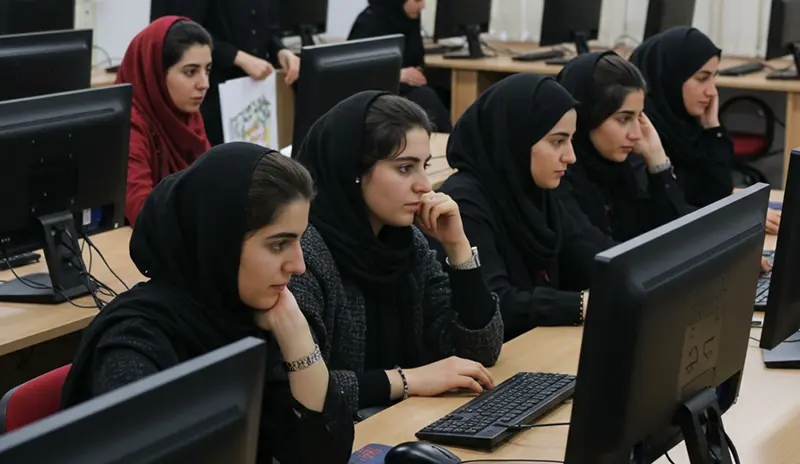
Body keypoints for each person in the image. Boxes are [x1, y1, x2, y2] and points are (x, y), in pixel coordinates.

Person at [61, 143, 354, 463]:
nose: (298, 265)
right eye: (279, 244)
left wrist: (297, 336)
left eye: (299, 240)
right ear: (219, 242)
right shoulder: (134, 343)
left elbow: (325, 455)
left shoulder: (246, 318)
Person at [290, 91, 503, 417]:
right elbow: (303, 390)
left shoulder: (407, 243)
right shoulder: (303, 255)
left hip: (401, 421)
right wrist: (407, 380)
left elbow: (481, 350)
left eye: (424, 166)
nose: (425, 186)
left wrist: (458, 248)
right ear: (354, 171)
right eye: (405, 168)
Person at [436, 74, 616, 341]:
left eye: (571, 140)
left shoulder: (535, 192)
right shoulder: (463, 202)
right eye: (557, 141)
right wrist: (581, 305)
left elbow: (588, 258)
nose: (571, 156)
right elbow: (498, 302)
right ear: (517, 138)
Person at [629, 26, 781, 236]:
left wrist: (712, 128)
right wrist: (738, 218)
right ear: (670, 77)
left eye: (714, 78)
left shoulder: (686, 126)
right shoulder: (635, 133)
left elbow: (717, 194)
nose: (712, 92)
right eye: (702, 79)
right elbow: (667, 218)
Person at [555, 51, 690, 242]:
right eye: (624, 118)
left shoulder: (622, 169)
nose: (636, 135)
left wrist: (658, 161)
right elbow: (600, 261)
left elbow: (675, 239)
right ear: (586, 115)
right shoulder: (557, 179)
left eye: (639, 117)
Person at [151, 0, 302, 146]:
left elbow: (270, 30)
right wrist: (237, 57)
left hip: (255, 92)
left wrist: (281, 50)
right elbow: (187, 29)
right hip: (212, 90)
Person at [119, 16, 212, 225]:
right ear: (156, 73)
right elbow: (142, 212)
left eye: (207, 70)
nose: (204, 84)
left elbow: (212, 184)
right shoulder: (129, 126)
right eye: (190, 72)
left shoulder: (187, 115)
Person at [348, 0, 452, 133]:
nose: (423, 6)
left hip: (407, 88)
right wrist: (397, 74)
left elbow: (415, 58)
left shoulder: (407, 20)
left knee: (444, 89)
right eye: (417, 1)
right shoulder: (368, 24)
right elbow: (355, 72)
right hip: (381, 92)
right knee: (427, 98)